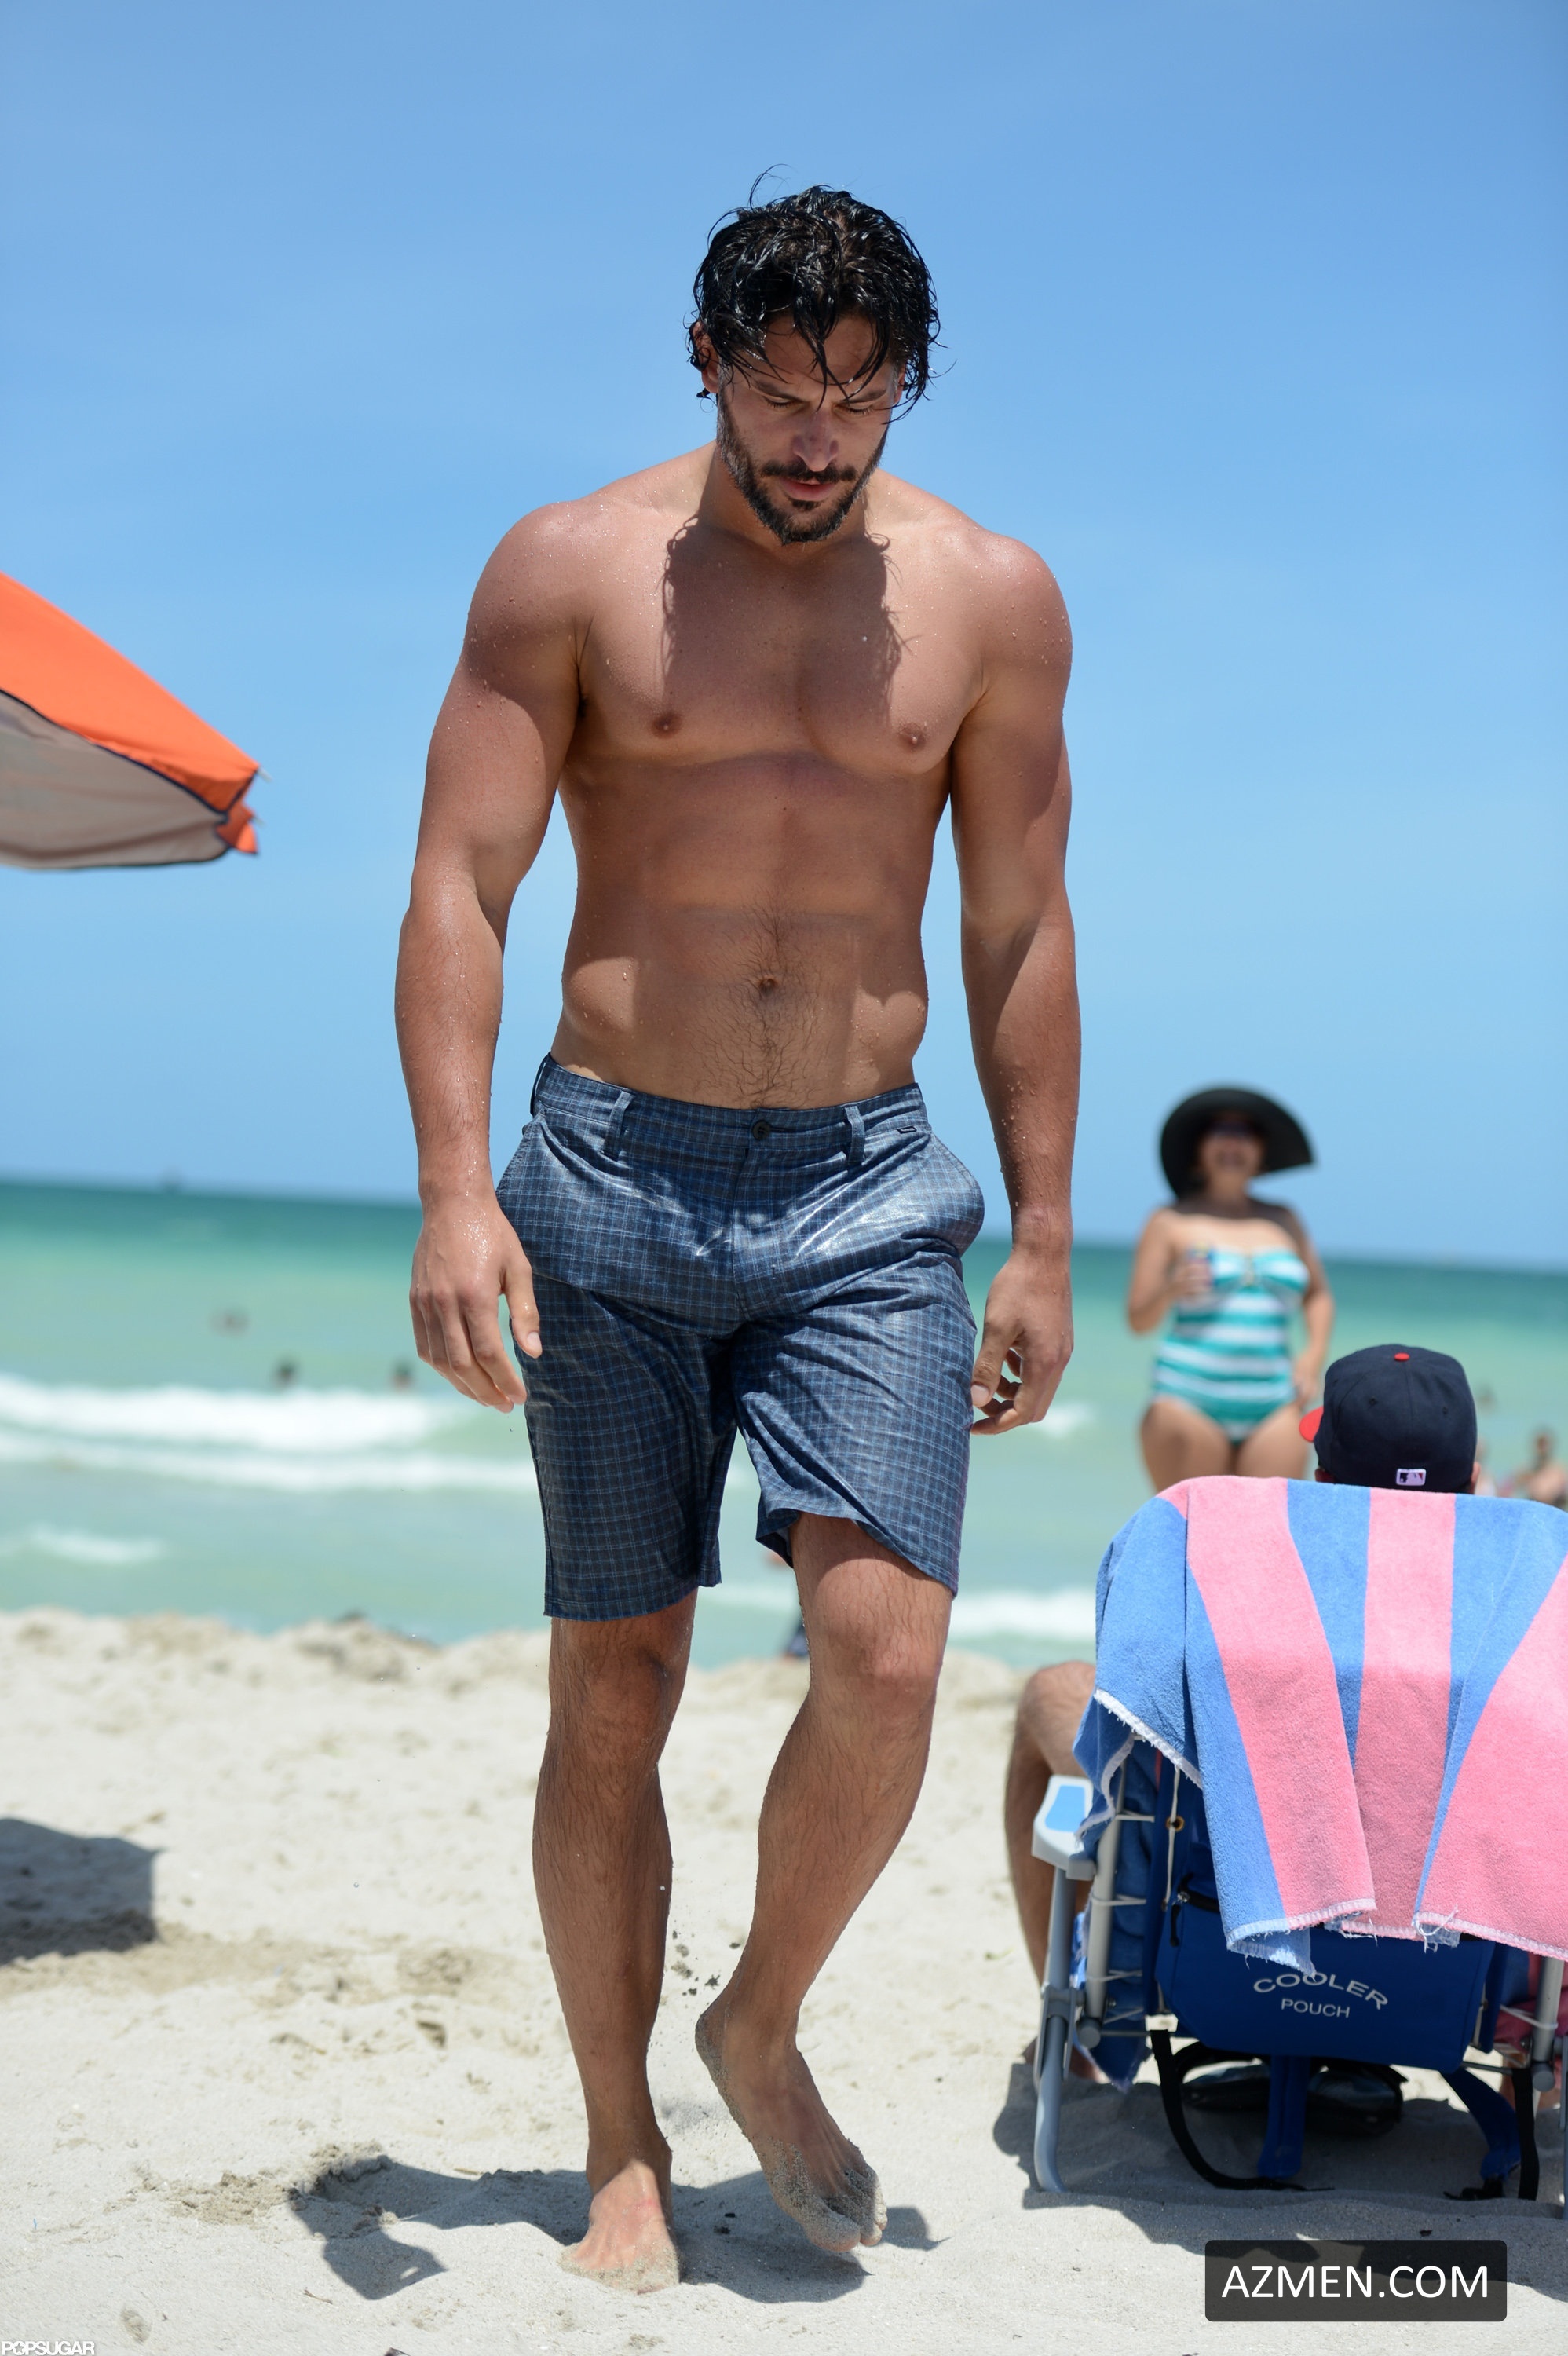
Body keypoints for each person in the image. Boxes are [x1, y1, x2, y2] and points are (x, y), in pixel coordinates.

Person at [394, 185, 1080, 2292]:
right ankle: (617, 2142)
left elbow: (1016, 922)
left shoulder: (990, 600)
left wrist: (1048, 1226)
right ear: (704, 362)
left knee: (887, 1651)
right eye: (780, 395)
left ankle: (756, 2017)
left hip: (866, 1189)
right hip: (606, 1171)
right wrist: (451, 1190)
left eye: (859, 401)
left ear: (906, 389)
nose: (815, 440)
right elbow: (461, 884)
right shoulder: (566, 569)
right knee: (618, 1678)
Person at [1006, 1343, 1479, 2024]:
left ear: (1322, 1478)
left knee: (1051, 1691)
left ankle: (1074, 2047)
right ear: (1471, 1482)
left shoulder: (1250, 1584)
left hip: (1211, 1942)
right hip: (1443, 1989)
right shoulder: (1515, 1633)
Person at [1125, 1088, 1333, 1489]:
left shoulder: (1284, 1218)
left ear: (1262, 1151)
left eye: (1246, 1133)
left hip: (1275, 1401)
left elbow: (1318, 1295)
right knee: (1193, 1521)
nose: (1233, 1143)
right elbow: (1138, 1320)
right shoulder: (1170, 1220)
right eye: (1221, 1131)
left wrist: (1313, 1357)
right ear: (1199, 1148)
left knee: (1268, 1524)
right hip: (1188, 1398)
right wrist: (1171, 1289)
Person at [1502, 1428, 1568, 1509]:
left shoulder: (1559, 1471)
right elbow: (1507, 1486)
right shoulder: (1527, 1469)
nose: (1543, 1448)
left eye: (1545, 1444)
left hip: (1554, 1509)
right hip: (1534, 1509)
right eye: (1540, 1445)